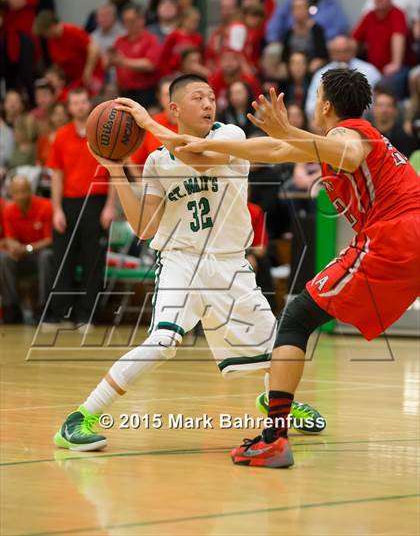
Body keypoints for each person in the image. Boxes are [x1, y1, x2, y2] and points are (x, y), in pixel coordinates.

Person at [53, 74, 325, 451]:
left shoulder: (230, 136)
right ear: (175, 109)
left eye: (211, 96)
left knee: (278, 350)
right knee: (163, 340)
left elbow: (197, 157)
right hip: (182, 260)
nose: (208, 103)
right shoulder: (156, 162)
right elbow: (144, 227)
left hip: (230, 265)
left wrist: (149, 125)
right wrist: (116, 168)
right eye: (198, 97)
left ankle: (279, 402)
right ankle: (81, 417)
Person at [180, 68, 420, 467]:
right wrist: (208, 149)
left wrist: (287, 130)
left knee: (296, 317)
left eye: (317, 95)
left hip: (396, 235)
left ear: (324, 105)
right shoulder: (339, 139)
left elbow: (349, 152)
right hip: (407, 233)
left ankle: (275, 437)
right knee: (299, 317)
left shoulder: (350, 134)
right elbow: (276, 151)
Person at [44, 88, 114, 328]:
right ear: (69, 108)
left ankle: (87, 315)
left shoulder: (103, 134)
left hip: (97, 202)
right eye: (75, 102)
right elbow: (56, 176)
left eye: (84, 101)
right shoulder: (61, 136)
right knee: (64, 259)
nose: (80, 106)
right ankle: (61, 313)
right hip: (68, 203)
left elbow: (114, 171)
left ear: (89, 104)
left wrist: (109, 206)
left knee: (93, 261)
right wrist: (56, 209)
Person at [0, 175, 53, 323]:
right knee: (4, 258)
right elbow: (10, 237)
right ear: (11, 193)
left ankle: (45, 307)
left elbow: (50, 240)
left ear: (31, 190)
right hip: (22, 256)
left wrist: (27, 248)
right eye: (17, 192)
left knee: (46, 256)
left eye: (25, 191)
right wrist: (13, 246)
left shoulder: (46, 206)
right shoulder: (9, 210)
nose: (22, 195)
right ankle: (11, 308)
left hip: (39, 254)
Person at [352, 0, 414, 99]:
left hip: (399, 69)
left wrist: (395, 63)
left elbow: (398, 38)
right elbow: (354, 40)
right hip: (373, 69)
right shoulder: (369, 16)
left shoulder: (398, 14)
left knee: (386, 86)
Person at [305, 35, 382, 119]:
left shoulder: (370, 71)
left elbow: (381, 102)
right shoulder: (320, 74)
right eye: (337, 52)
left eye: (345, 51)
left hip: (364, 120)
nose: (341, 55)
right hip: (329, 122)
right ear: (331, 53)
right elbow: (310, 107)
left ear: (353, 51)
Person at [33, 10, 103, 96]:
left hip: (91, 76)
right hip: (75, 79)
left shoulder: (72, 31)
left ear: (51, 26)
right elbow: (58, 63)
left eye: (45, 33)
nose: (45, 36)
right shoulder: (52, 40)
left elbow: (93, 49)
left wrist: (88, 71)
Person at [111, 4, 162, 108]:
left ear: (141, 20)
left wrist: (123, 61)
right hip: (123, 92)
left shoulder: (150, 39)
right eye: (125, 21)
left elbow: (150, 64)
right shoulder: (120, 41)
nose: (128, 25)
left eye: (131, 21)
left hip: (145, 93)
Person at [1, 0, 38, 103]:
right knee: (8, 74)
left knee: (26, 73)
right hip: (7, 36)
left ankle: (33, 103)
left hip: (24, 36)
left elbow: (16, 3)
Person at [130, 77, 178, 168]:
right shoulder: (150, 123)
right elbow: (133, 161)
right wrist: (142, 182)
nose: (172, 99)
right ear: (160, 98)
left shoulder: (193, 123)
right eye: (168, 94)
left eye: (176, 94)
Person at [280, 0, 328, 76]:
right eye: (296, 8)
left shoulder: (316, 29)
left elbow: (322, 54)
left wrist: (316, 62)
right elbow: (285, 55)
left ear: (307, 10)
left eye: (301, 8)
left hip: (311, 65)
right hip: (293, 65)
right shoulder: (289, 31)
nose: (299, 11)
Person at [369, 87, 418, 158]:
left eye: (388, 105)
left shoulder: (405, 135)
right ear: (373, 109)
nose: (384, 110)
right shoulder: (367, 134)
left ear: (395, 110)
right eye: (380, 105)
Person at [205, 0, 247, 73]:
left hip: (236, 74)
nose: (227, 11)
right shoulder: (217, 32)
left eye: (230, 8)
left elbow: (239, 57)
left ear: (237, 9)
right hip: (218, 75)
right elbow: (209, 57)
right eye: (224, 8)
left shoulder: (242, 28)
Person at [159, 7, 203, 75]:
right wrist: (167, 74)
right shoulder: (174, 35)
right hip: (174, 73)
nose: (194, 24)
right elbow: (164, 56)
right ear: (184, 20)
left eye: (196, 21)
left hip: (191, 73)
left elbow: (201, 57)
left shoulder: (198, 38)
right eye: (192, 21)